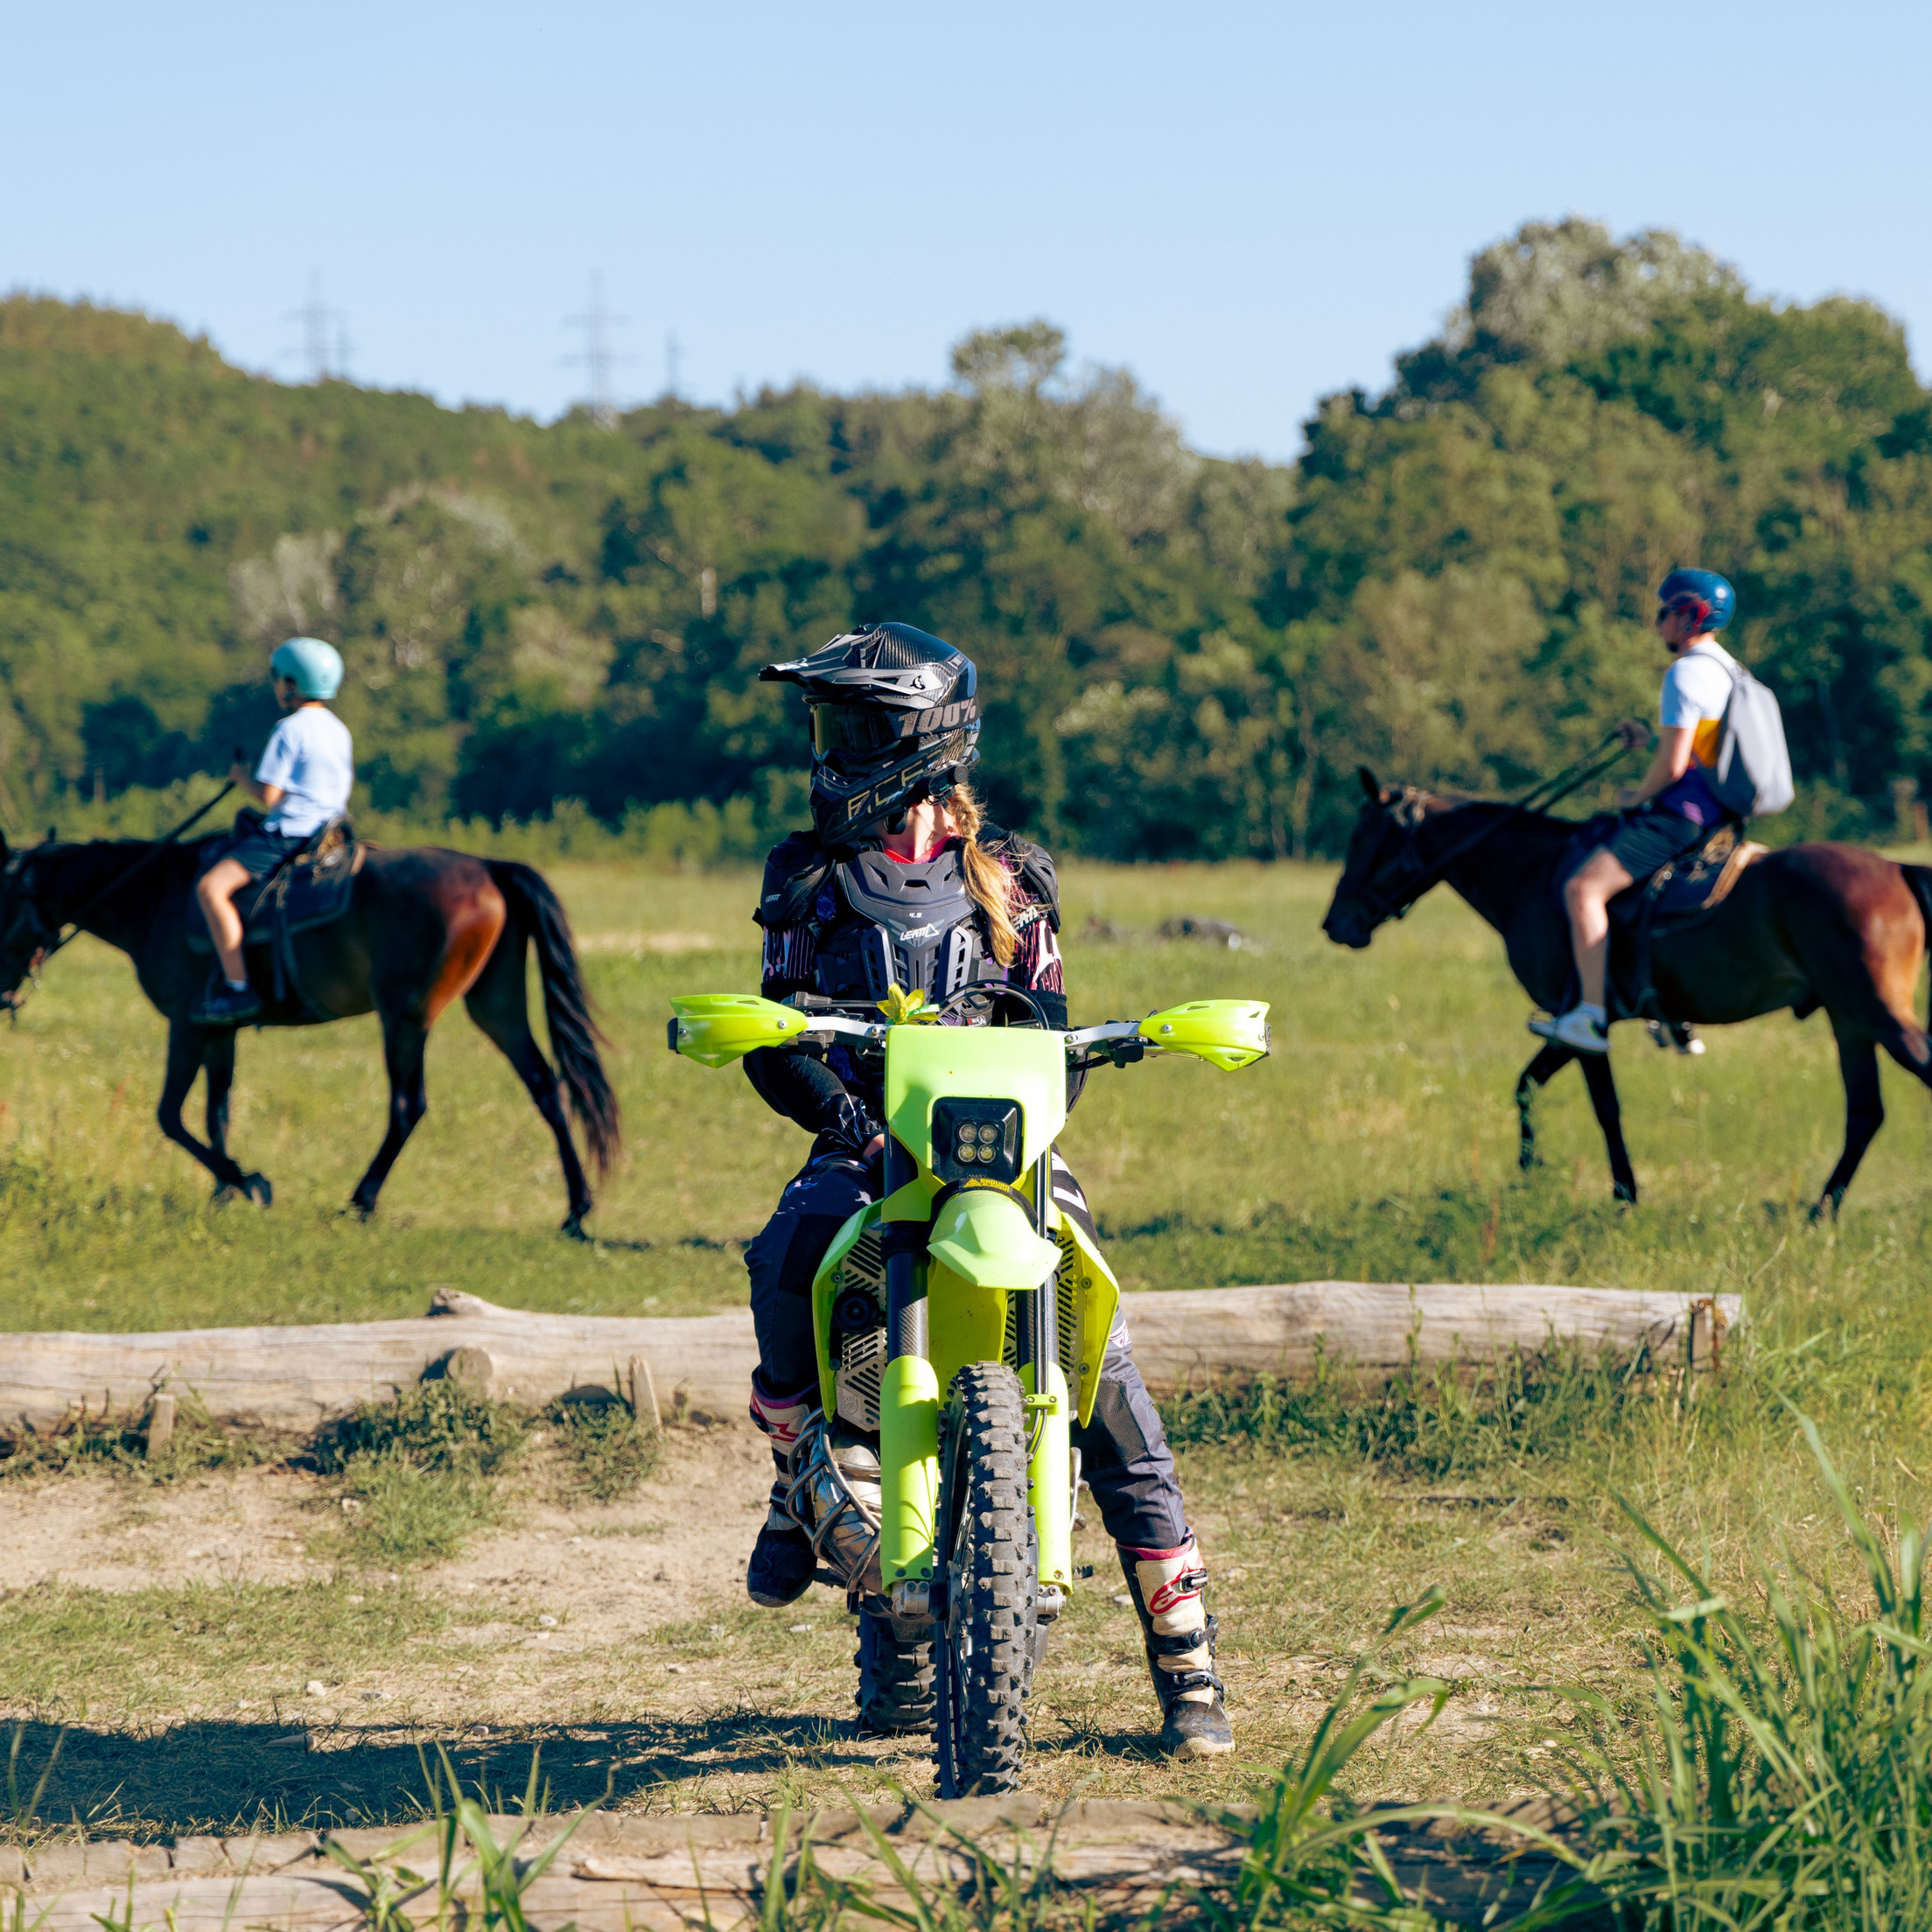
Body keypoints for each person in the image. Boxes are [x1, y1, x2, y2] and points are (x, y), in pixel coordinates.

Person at [739, 621, 1233, 1760]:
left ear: (919, 741)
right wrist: (856, 1127)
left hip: (1004, 1158)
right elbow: (777, 1037)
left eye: (850, 728)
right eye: (831, 727)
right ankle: (792, 1477)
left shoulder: (1013, 873)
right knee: (786, 1254)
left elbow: (1051, 1037)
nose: (831, 749)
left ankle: (1191, 1666)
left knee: (1105, 1374)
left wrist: (1023, 1133)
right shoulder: (806, 875)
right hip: (864, 1148)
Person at [1531, 568, 1741, 1054]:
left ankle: (1589, 1016)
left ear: (1692, 616)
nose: (1658, 622)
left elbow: (1671, 769)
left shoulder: (1685, 672)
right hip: (1720, 820)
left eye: (1665, 612)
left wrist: (1635, 795)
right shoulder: (1730, 670)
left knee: (1583, 888)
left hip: (1680, 818)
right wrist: (1647, 740)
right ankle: (1670, 1012)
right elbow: (1696, 750)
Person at [192, 637, 354, 1026]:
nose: (278, 686)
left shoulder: (289, 729)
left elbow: (269, 795)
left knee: (210, 888)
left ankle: (237, 987)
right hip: (333, 831)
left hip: (290, 833)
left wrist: (241, 777)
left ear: (292, 684)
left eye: (280, 679)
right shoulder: (338, 729)